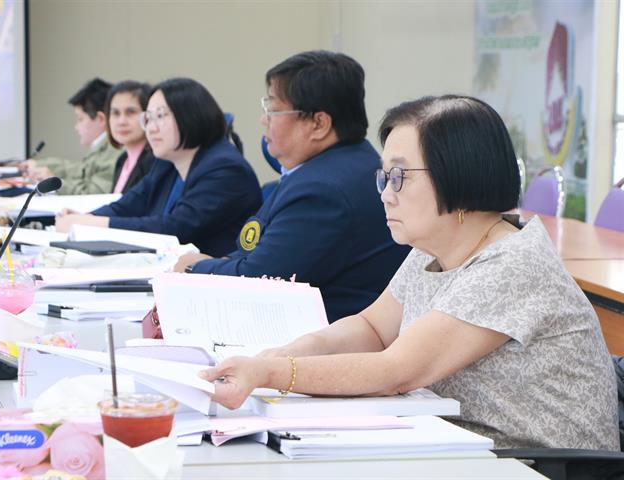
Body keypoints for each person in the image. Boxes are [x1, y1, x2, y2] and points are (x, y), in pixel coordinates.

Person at [200, 95, 619, 451]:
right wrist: (288, 351)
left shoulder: (512, 265)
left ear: (459, 173)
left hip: (531, 463)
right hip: (456, 442)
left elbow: (395, 371)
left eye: (399, 177)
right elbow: (373, 328)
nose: (385, 194)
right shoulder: (435, 245)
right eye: (384, 176)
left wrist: (273, 374)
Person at [174, 51, 409, 322]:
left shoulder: (325, 191)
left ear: (318, 124)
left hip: (320, 342)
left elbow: (260, 281)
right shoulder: (339, 164)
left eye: (273, 110)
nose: (264, 120)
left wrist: (196, 268)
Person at [55, 78, 262, 257]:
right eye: (148, 118)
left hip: (213, 287)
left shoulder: (225, 169)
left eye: (161, 116)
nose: (151, 128)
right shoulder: (168, 161)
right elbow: (129, 205)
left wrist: (89, 225)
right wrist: (87, 218)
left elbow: (174, 228)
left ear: (190, 116)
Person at [22, 78, 121, 195]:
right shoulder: (102, 147)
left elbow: (92, 193)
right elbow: (78, 169)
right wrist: (41, 166)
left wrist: (55, 183)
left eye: (80, 119)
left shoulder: (115, 150)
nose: (76, 127)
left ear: (100, 119)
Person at [105, 80, 156, 194]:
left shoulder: (155, 161)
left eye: (131, 112)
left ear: (148, 116)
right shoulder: (121, 160)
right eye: (115, 113)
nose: (121, 121)